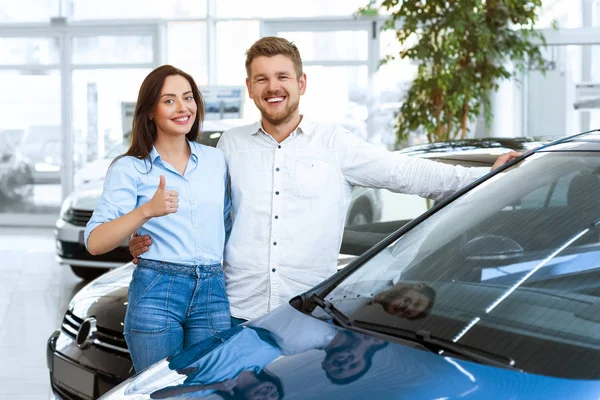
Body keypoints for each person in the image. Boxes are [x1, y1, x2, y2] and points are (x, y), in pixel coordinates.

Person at [129, 37, 523, 326]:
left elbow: (406, 173)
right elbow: (197, 207)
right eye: (262, 79)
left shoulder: (335, 143)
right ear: (250, 88)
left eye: (282, 76)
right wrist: (148, 236)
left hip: (308, 314)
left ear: (301, 83)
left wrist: (488, 175)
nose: (273, 87)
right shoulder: (230, 145)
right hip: (232, 312)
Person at [84, 65, 232, 372]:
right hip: (157, 291)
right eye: (169, 100)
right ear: (150, 111)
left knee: (209, 389)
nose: (183, 108)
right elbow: (95, 242)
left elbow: (227, 223)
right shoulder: (130, 168)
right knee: (159, 392)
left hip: (212, 290)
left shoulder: (215, 160)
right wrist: (145, 212)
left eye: (188, 98)